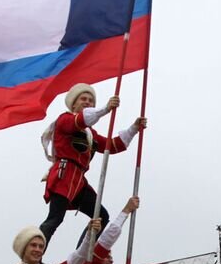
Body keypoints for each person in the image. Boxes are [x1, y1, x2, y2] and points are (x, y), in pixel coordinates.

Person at [39, 84, 147, 247]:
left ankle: (81, 254)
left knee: (101, 215)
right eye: (83, 99)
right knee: (55, 218)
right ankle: (36, 254)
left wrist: (134, 128)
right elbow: (80, 120)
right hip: (65, 174)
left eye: (91, 100)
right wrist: (105, 109)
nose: (87, 102)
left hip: (78, 181)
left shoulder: (90, 133)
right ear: (73, 103)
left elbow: (112, 146)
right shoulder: (65, 120)